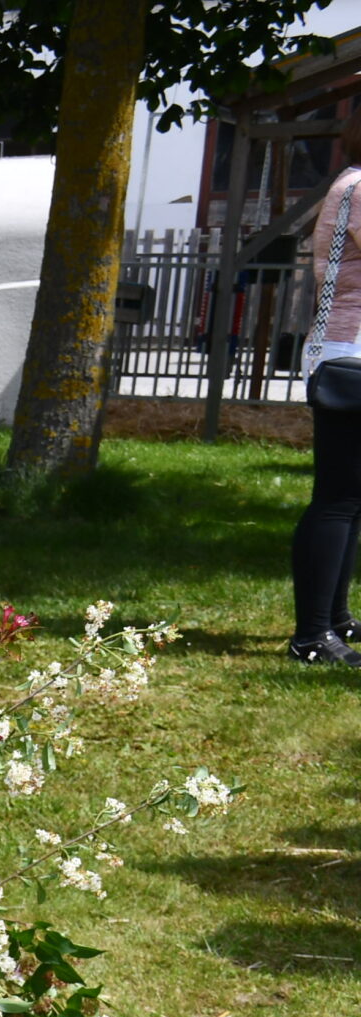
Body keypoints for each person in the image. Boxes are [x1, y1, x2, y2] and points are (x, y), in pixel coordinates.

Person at [290, 105, 361, 665]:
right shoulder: (360, 187)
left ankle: (333, 620)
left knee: (350, 498)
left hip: (346, 352)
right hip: (350, 355)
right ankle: (312, 635)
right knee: (337, 499)